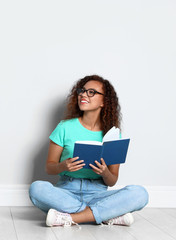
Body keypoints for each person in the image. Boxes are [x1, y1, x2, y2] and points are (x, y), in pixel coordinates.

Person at [29, 75, 149, 227]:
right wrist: (63, 166)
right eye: (82, 91)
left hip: (98, 193)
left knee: (140, 193)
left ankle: (72, 218)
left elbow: (112, 181)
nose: (83, 95)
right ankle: (105, 215)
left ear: (104, 101)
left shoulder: (113, 134)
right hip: (66, 191)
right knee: (36, 188)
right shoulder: (64, 127)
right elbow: (49, 167)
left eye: (91, 92)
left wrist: (105, 172)